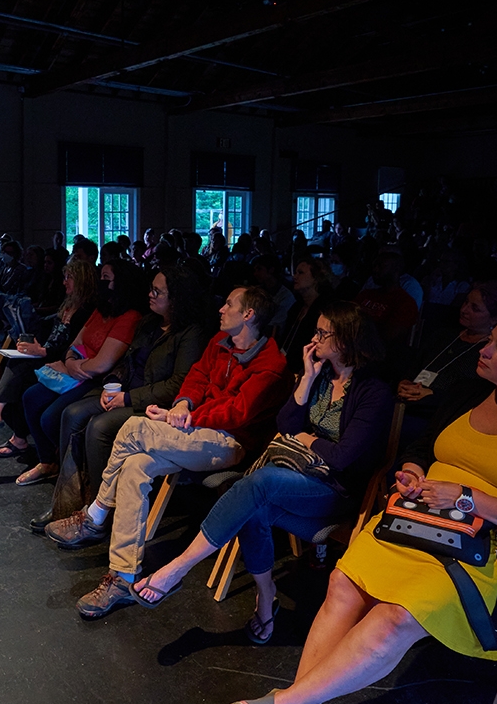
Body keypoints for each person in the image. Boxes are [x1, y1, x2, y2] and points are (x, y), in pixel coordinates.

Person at [218, 309, 497, 704]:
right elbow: (421, 445)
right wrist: (413, 470)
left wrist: (467, 498)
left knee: (395, 616)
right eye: (489, 340)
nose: (485, 349)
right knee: (342, 582)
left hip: (494, 550)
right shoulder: (470, 392)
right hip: (420, 521)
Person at [131, 302, 391, 644]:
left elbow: (342, 458)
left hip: (334, 490)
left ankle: (177, 568)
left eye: (322, 333)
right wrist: (308, 379)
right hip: (298, 476)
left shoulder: (374, 391)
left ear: (344, 341)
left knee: (260, 483)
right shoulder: (323, 376)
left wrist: (307, 437)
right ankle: (266, 598)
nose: (313, 338)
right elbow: (285, 425)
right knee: (254, 504)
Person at [45, 286, 290, 619]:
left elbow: (238, 413)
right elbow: (197, 377)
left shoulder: (271, 363)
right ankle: (124, 577)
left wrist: (188, 416)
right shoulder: (220, 344)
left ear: (248, 315)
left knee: (132, 427)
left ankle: (96, 514)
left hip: (230, 442)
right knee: (134, 466)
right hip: (194, 430)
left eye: (229, 304)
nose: (221, 309)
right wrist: (183, 403)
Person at [28, 265, 215, 531]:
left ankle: (99, 512)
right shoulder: (150, 323)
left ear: (176, 298)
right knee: (71, 414)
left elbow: (176, 385)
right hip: (126, 391)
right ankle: (68, 500)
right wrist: (111, 384)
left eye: (157, 291)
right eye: (151, 288)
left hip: (151, 403)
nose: (149, 294)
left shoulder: (190, 333)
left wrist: (127, 398)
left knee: (99, 427)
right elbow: (127, 362)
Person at [0, 260, 146, 480]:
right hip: (77, 370)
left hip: (96, 379)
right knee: (31, 396)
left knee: (50, 417)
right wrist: (71, 362)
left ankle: (71, 470)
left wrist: (71, 365)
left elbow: (103, 364)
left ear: (121, 283)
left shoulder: (129, 316)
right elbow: (75, 343)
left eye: (105, 278)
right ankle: (47, 461)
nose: (100, 282)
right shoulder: (101, 310)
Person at [0, 260, 96, 430]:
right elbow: (50, 330)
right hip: (49, 352)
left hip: (61, 359)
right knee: (15, 361)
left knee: (20, 371)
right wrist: (33, 345)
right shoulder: (69, 304)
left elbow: (72, 346)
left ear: (82, 280)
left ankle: (2, 419)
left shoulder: (86, 311)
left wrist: (42, 350)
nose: (64, 281)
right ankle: (3, 420)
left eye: (69, 277)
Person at [397, 281, 497, 422]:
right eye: (465, 302)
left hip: (442, 416)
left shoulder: (488, 353)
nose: (464, 310)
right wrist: (405, 382)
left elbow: (474, 396)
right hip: (408, 403)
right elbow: (413, 367)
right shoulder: (442, 336)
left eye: (475, 308)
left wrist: (433, 395)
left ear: (495, 318)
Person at [276, 256, 334, 374]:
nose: (295, 276)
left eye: (300, 273)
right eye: (295, 272)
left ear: (316, 278)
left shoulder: (326, 310)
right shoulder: (297, 306)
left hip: (310, 369)